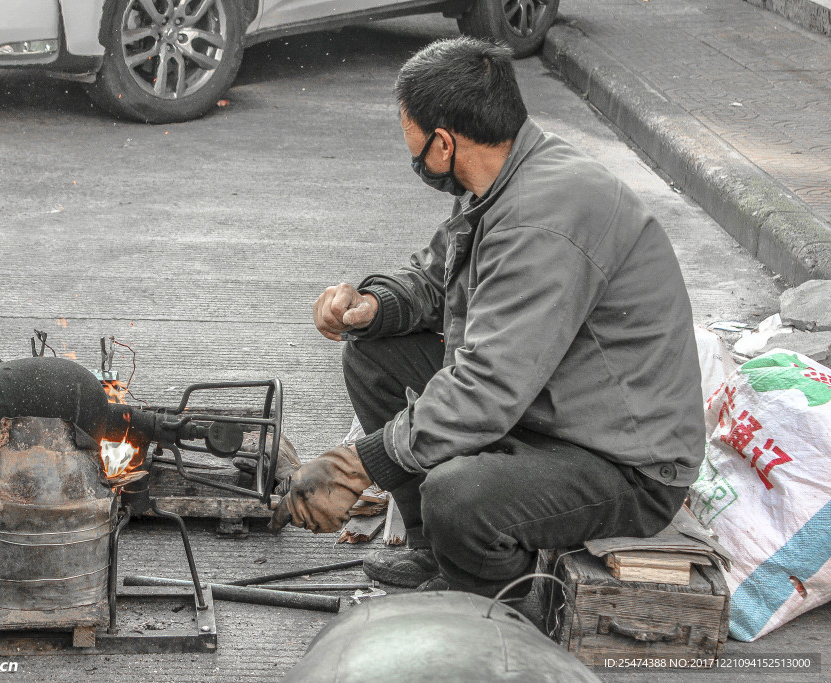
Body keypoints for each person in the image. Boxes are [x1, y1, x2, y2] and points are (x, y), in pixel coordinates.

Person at [269, 37, 705, 598]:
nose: (415, 161)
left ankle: (501, 603)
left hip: (626, 463)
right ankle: (438, 552)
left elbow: (487, 390)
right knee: (375, 356)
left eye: (415, 146)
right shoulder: (505, 176)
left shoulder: (542, 219)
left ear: (444, 142)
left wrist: (357, 465)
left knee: (458, 496)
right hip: (551, 404)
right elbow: (436, 279)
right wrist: (373, 306)